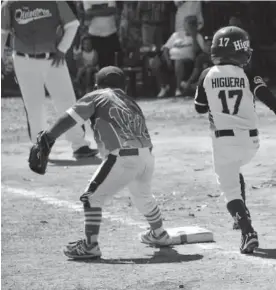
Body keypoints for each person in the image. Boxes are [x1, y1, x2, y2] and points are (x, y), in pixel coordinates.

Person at [34, 66, 172, 259]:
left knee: (91, 198)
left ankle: (90, 246)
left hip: (123, 156)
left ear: (97, 85)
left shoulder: (97, 95)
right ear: (123, 86)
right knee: (143, 196)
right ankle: (160, 234)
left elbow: (70, 118)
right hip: (147, 156)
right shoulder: (130, 102)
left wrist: (49, 136)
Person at [194, 26, 276, 253]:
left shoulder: (206, 74)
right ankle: (240, 217)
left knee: (229, 187)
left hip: (223, 141)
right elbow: (266, 95)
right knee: (234, 170)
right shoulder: (248, 74)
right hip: (251, 142)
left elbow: (199, 108)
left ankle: (247, 231)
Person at [1, 0, 98, 159]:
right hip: (23, 60)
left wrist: (62, 49)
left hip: (54, 58)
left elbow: (72, 24)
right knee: (34, 105)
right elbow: (2, 31)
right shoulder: (10, 3)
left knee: (67, 101)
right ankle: (40, 148)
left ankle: (79, 145)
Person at [149, 15, 204, 98]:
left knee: (178, 61)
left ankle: (178, 89)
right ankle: (163, 87)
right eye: (186, 24)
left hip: (187, 61)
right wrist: (167, 60)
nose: (186, 27)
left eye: (189, 25)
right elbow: (166, 49)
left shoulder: (198, 36)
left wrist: (194, 37)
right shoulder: (176, 35)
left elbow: (197, 51)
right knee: (155, 61)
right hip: (171, 58)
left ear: (193, 26)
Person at [82, 1, 121, 68]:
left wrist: (94, 11)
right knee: (98, 64)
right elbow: (88, 12)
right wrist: (105, 10)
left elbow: (112, 10)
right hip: (94, 34)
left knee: (111, 63)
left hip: (110, 32)